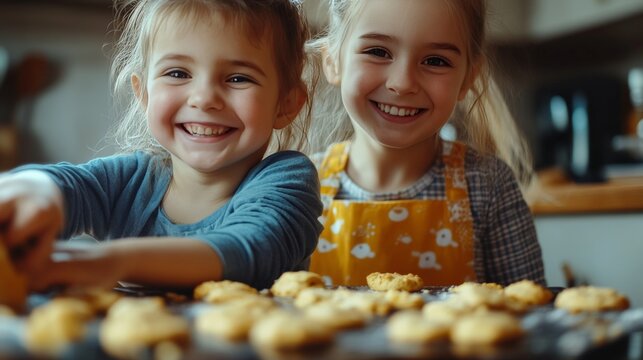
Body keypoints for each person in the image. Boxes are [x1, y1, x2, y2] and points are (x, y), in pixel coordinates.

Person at [0, 0, 322, 292]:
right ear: (143, 94)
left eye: (238, 78)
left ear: (286, 103)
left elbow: (247, 249)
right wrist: (35, 192)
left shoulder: (286, 180)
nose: (204, 98)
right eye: (178, 73)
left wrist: (114, 262)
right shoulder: (132, 180)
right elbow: (68, 185)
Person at [306, 0, 546, 287]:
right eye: (377, 52)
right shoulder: (300, 186)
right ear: (333, 61)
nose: (403, 82)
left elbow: (530, 307)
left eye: (435, 61)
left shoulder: (488, 185)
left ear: (468, 77)